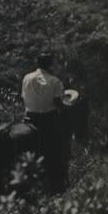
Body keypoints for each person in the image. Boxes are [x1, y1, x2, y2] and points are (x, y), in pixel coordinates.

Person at [21, 53, 66, 189]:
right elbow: (58, 103)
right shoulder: (55, 81)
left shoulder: (26, 77)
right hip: (47, 119)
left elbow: (23, 96)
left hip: (28, 117)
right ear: (50, 65)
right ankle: (57, 178)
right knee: (59, 147)